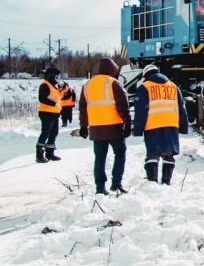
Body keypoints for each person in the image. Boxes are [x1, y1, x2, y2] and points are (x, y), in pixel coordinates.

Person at [79, 58, 132, 195]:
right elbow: (123, 107)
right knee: (120, 154)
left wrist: (84, 126)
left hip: (96, 128)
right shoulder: (114, 83)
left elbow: (83, 108)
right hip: (114, 127)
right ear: (112, 71)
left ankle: (100, 188)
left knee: (100, 158)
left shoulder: (87, 85)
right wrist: (127, 124)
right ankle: (116, 183)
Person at [133, 64, 189, 185]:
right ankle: (166, 182)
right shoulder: (173, 86)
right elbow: (182, 108)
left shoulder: (145, 87)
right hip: (171, 126)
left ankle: (152, 182)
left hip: (152, 126)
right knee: (168, 154)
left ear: (145, 75)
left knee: (153, 154)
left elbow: (141, 111)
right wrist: (184, 127)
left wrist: (137, 130)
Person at [36, 67, 62, 163]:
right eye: (55, 76)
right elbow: (42, 98)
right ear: (51, 75)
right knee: (45, 133)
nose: (57, 78)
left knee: (54, 133)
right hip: (46, 112)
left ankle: (49, 153)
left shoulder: (54, 86)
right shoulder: (45, 85)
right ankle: (39, 155)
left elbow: (59, 98)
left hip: (55, 113)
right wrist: (53, 104)